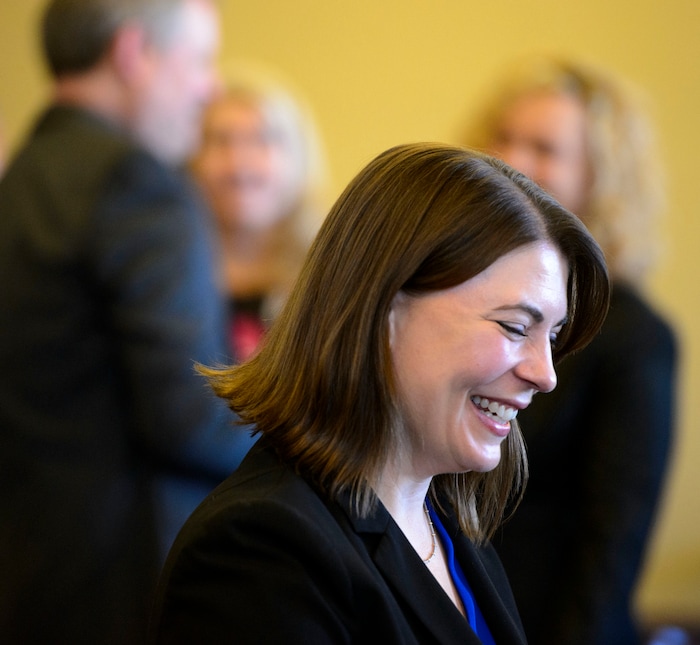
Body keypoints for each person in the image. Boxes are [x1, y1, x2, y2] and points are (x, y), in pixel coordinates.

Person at [151, 142, 610, 644]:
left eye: (554, 336)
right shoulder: (258, 549)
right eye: (515, 327)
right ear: (384, 311)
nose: (546, 374)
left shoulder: (453, 533)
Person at [0, 1, 256, 643]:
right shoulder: (139, 186)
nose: (211, 86)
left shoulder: (19, 180)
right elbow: (193, 417)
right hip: (126, 585)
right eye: (199, 60)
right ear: (133, 53)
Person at [461, 55, 678, 645]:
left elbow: (612, 544)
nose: (513, 161)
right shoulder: (458, 301)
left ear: (599, 176)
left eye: (544, 147)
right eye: (503, 138)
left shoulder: (636, 336)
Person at [190, 66, 328, 362]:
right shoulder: (166, 274)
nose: (239, 163)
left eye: (262, 140)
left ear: (299, 157)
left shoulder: (330, 275)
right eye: (220, 140)